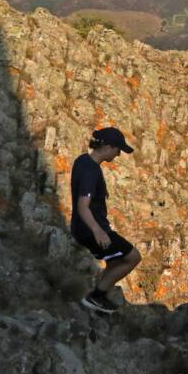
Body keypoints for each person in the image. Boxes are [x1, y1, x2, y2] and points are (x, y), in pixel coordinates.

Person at [70, 127, 142, 313]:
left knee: (116, 260)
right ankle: (96, 297)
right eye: (118, 150)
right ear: (109, 147)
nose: (118, 154)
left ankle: (101, 296)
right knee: (133, 257)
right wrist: (97, 230)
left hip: (82, 227)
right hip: (90, 229)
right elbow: (82, 205)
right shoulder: (91, 172)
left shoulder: (83, 161)